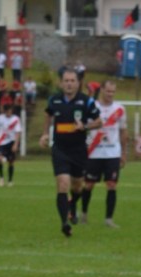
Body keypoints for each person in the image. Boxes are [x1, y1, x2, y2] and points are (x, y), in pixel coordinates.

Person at [40, 68, 102, 238]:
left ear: (78, 83)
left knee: (77, 186)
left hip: (79, 150)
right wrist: (45, 133)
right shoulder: (55, 100)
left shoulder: (86, 101)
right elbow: (47, 115)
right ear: (61, 83)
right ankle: (64, 223)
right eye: (66, 80)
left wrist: (85, 126)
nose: (69, 84)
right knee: (63, 184)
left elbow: (99, 122)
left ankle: (72, 204)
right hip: (60, 149)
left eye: (72, 81)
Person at [82, 80, 127, 229]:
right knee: (89, 185)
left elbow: (123, 131)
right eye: (108, 91)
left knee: (111, 184)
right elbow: (84, 127)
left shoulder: (120, 109)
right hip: (94, 152)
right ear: (102, 90)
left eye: (113, 92)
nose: (110, 95)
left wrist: (124, 153)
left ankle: (109, 219)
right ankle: (83, 214)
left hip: (113, 152)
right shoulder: (92, 106)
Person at [0, 104, 22, 187]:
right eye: (7, 111)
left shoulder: (16, 119)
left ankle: (10, 180)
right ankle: (1, 178)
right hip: (1, 142)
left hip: (11, 142)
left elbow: (18, 132)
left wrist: (16, 144)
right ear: (5, 111)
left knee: (11, 162)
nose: (9, 113)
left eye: (10, 111)